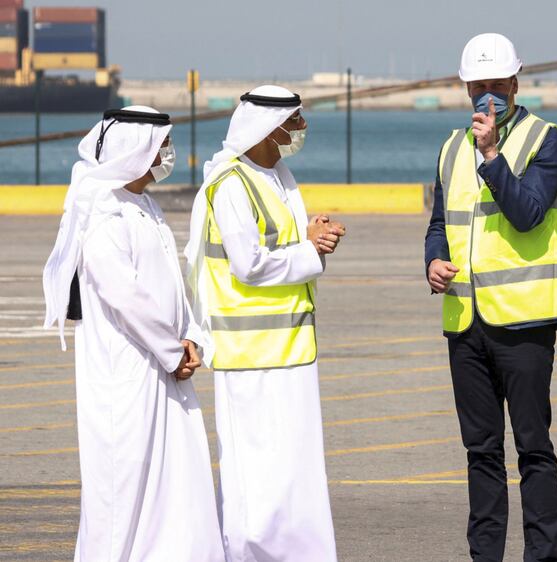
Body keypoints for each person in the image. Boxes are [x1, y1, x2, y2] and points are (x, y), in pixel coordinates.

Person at [42, 106, 224, 561]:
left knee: (173, 479)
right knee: (123, 485)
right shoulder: (104, 212)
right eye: (161, 146)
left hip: (163, 365)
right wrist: (171, 350)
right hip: (125, 373)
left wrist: (189, 338)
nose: (167, 154)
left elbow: (170, 285)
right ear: (134, 150)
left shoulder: (143, 204)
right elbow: (125, 294)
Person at [423, 33, 557, 562]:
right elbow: (440, 223)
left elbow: (528, 211)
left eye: (497, 85)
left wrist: (492, 154)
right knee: (480, 452)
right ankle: (484, 554)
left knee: (534, 449)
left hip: (525, 322)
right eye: (478, 86)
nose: (487, 96)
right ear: (465, 87)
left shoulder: (548, 139)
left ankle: (542, 556)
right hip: (465, 322)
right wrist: (433, 260)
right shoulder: (450, 147)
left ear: (516, 82)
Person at [185, 85, 342, 561]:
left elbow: (280, 241)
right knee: (256, 475)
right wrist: (310, 249)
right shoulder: (231, 183)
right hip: (249, 355)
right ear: (270, 130)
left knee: (293, 468)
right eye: (295, 122)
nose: (301, 130)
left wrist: (310, 235)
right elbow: (248, 264)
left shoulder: (276, 174)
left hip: (289, 349)